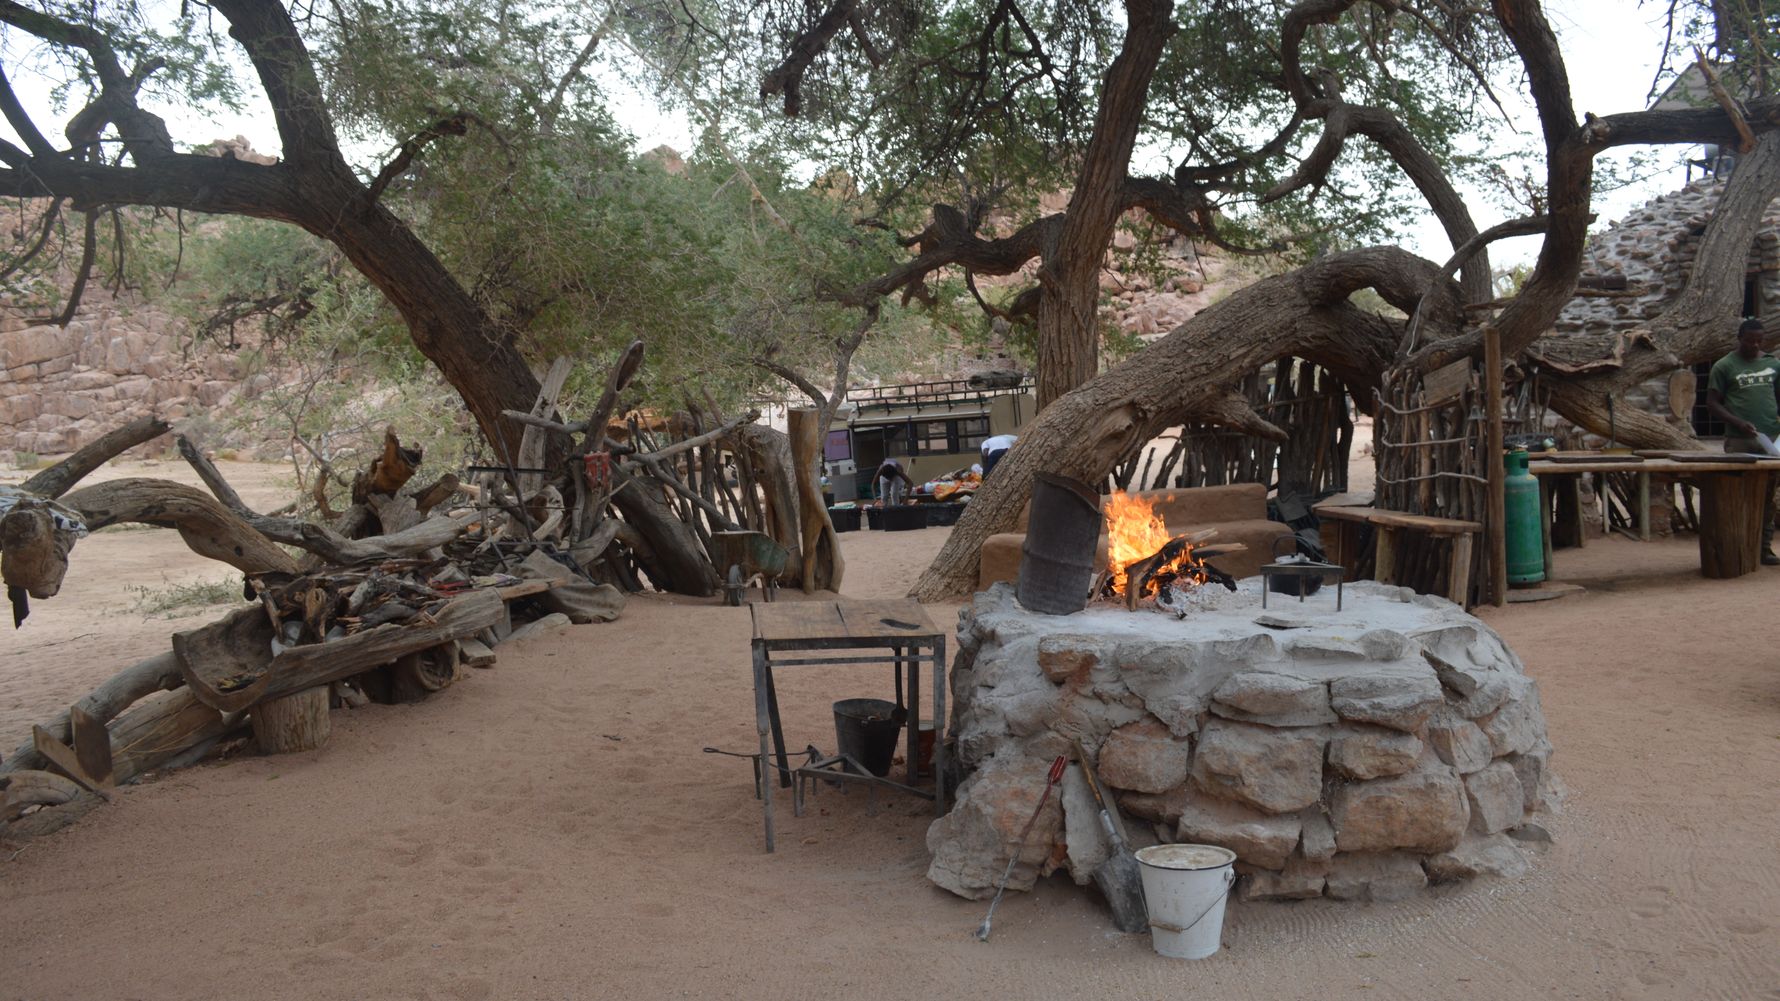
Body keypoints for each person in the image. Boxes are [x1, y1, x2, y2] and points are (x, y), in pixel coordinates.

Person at [1706, 317, 1780, 564]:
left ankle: (1764, 549)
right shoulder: (1724, 366)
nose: (1755, 345)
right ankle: (1736, 548)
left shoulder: (1773, 364)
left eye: (1759, 341)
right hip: (1739, 439)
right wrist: (1738, 422)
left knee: (1767, 496)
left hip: (1770, 439)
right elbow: (1713, 403)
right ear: (1739, 339)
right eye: (1750, 341)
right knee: (1737, 493)